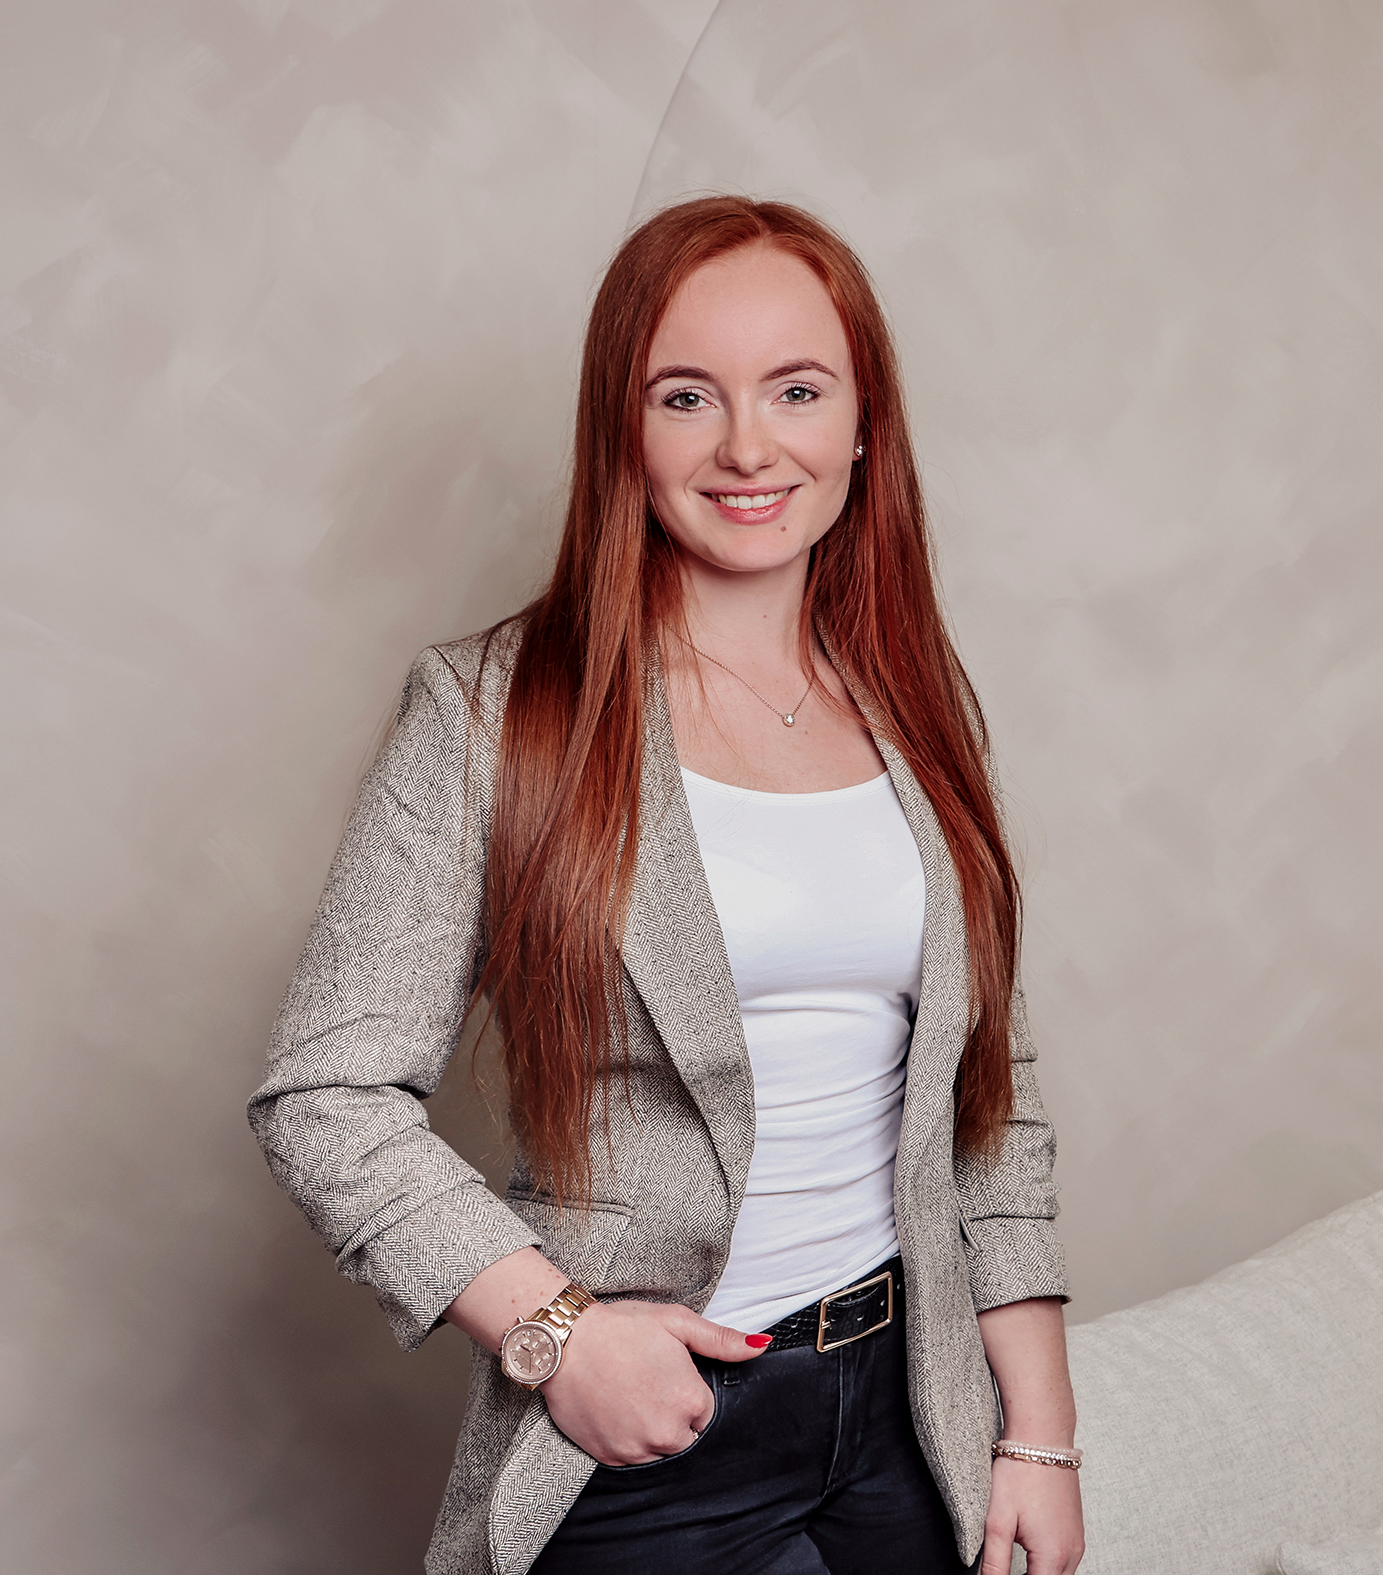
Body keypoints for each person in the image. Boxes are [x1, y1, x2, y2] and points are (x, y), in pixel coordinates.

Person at [249, 196, 1084, 1575]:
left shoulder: (915, 701)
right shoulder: (489, 714)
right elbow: (325, 1093)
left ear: (864, 425)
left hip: (914, 1411)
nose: (749, 446)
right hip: (655, 1435)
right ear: (621, 432)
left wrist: (1038, 1434)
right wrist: (558, 1334)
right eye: (687, 396)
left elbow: (989, 1091)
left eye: (798, 390)